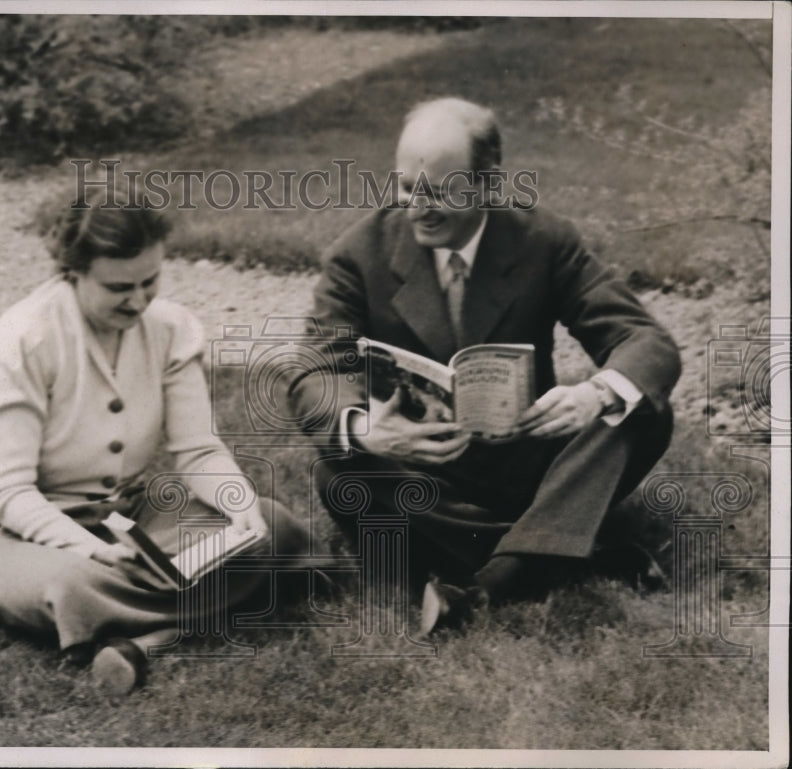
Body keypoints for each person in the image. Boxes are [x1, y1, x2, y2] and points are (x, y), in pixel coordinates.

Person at [287, 97, 681, 634]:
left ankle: (481, 583)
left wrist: (593, 395)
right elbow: (314, 372)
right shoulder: (358, 254)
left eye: (442, 192)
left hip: (527, 456)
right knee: (339, 465)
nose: (420, 207)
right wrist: (370, 430)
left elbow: (644, 340)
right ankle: (564, 548)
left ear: (487, 184)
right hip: (422, 469)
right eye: (407, 188)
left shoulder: (543, 240)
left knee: (639, 409)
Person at [0, 200, 308, 694]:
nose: (138, 302)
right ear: (73, 273)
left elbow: (198, 451)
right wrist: (91, 550)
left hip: (126, 522)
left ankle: (147, 636)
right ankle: (222, 602)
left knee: (269, 521)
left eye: (149, 281)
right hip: (8, 536)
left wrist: (237, 501)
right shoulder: (25, 338)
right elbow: (8, 494)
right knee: (72, 588)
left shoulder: (172, 328)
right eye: (118, 288)